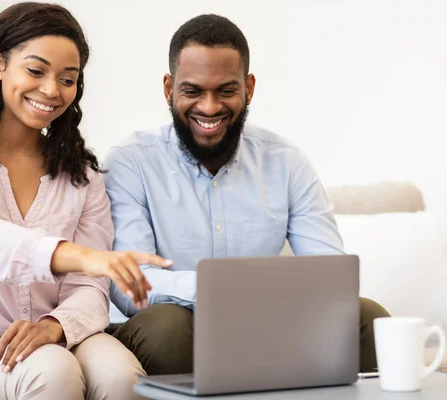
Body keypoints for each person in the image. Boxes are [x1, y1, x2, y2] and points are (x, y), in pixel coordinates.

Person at [104, 14, 390, 376]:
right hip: (177, 328)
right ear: (168, 89)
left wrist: (263, 298)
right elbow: (129, 285)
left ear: (248, 88)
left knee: (367, 318)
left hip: (267, 325)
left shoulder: (285, 161)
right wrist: (227, 291)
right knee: (164, 328)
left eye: (225, 90)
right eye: (192, 91)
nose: (209, 108)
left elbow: (332, 275)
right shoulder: (131, 162)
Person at [0, 3, 171, 399]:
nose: (51, 90)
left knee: (124, 377)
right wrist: (82, 255)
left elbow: (89, 285)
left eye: (68, 79)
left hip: (63, 334)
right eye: (35, 71)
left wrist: (55, 325)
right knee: (51, 369)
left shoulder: (80, 173)